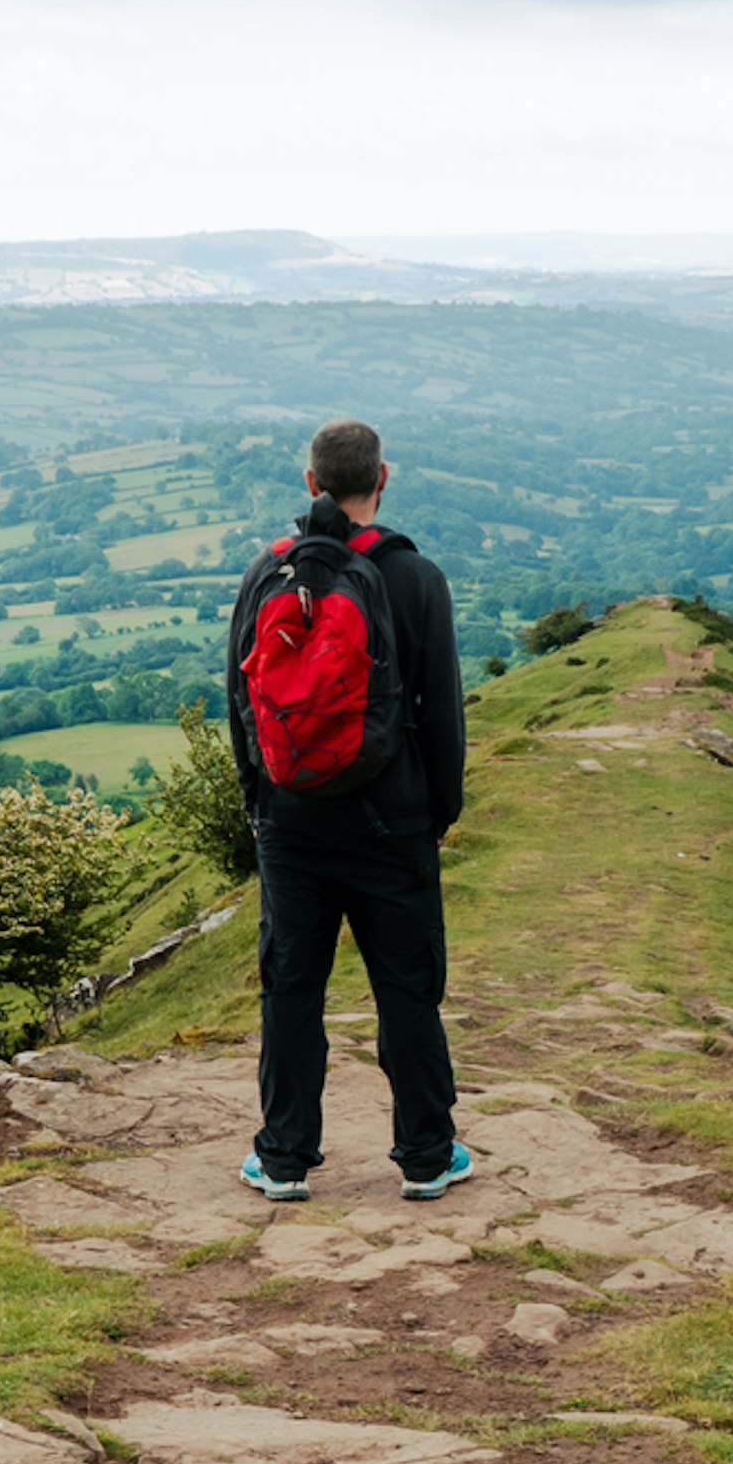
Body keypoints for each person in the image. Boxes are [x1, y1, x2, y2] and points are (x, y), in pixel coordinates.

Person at [223, 416, 470, 1203]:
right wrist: (438, 811)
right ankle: (428, 1155)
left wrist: (260, 802)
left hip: (291, 822)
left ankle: (285, 1157)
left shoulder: (268, 571)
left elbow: (241, 702)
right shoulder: (415, 577)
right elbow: (441, 715)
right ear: (383, 478)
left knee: (292, 986)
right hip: (390, 821)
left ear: (309, 483)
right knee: (406, 986)